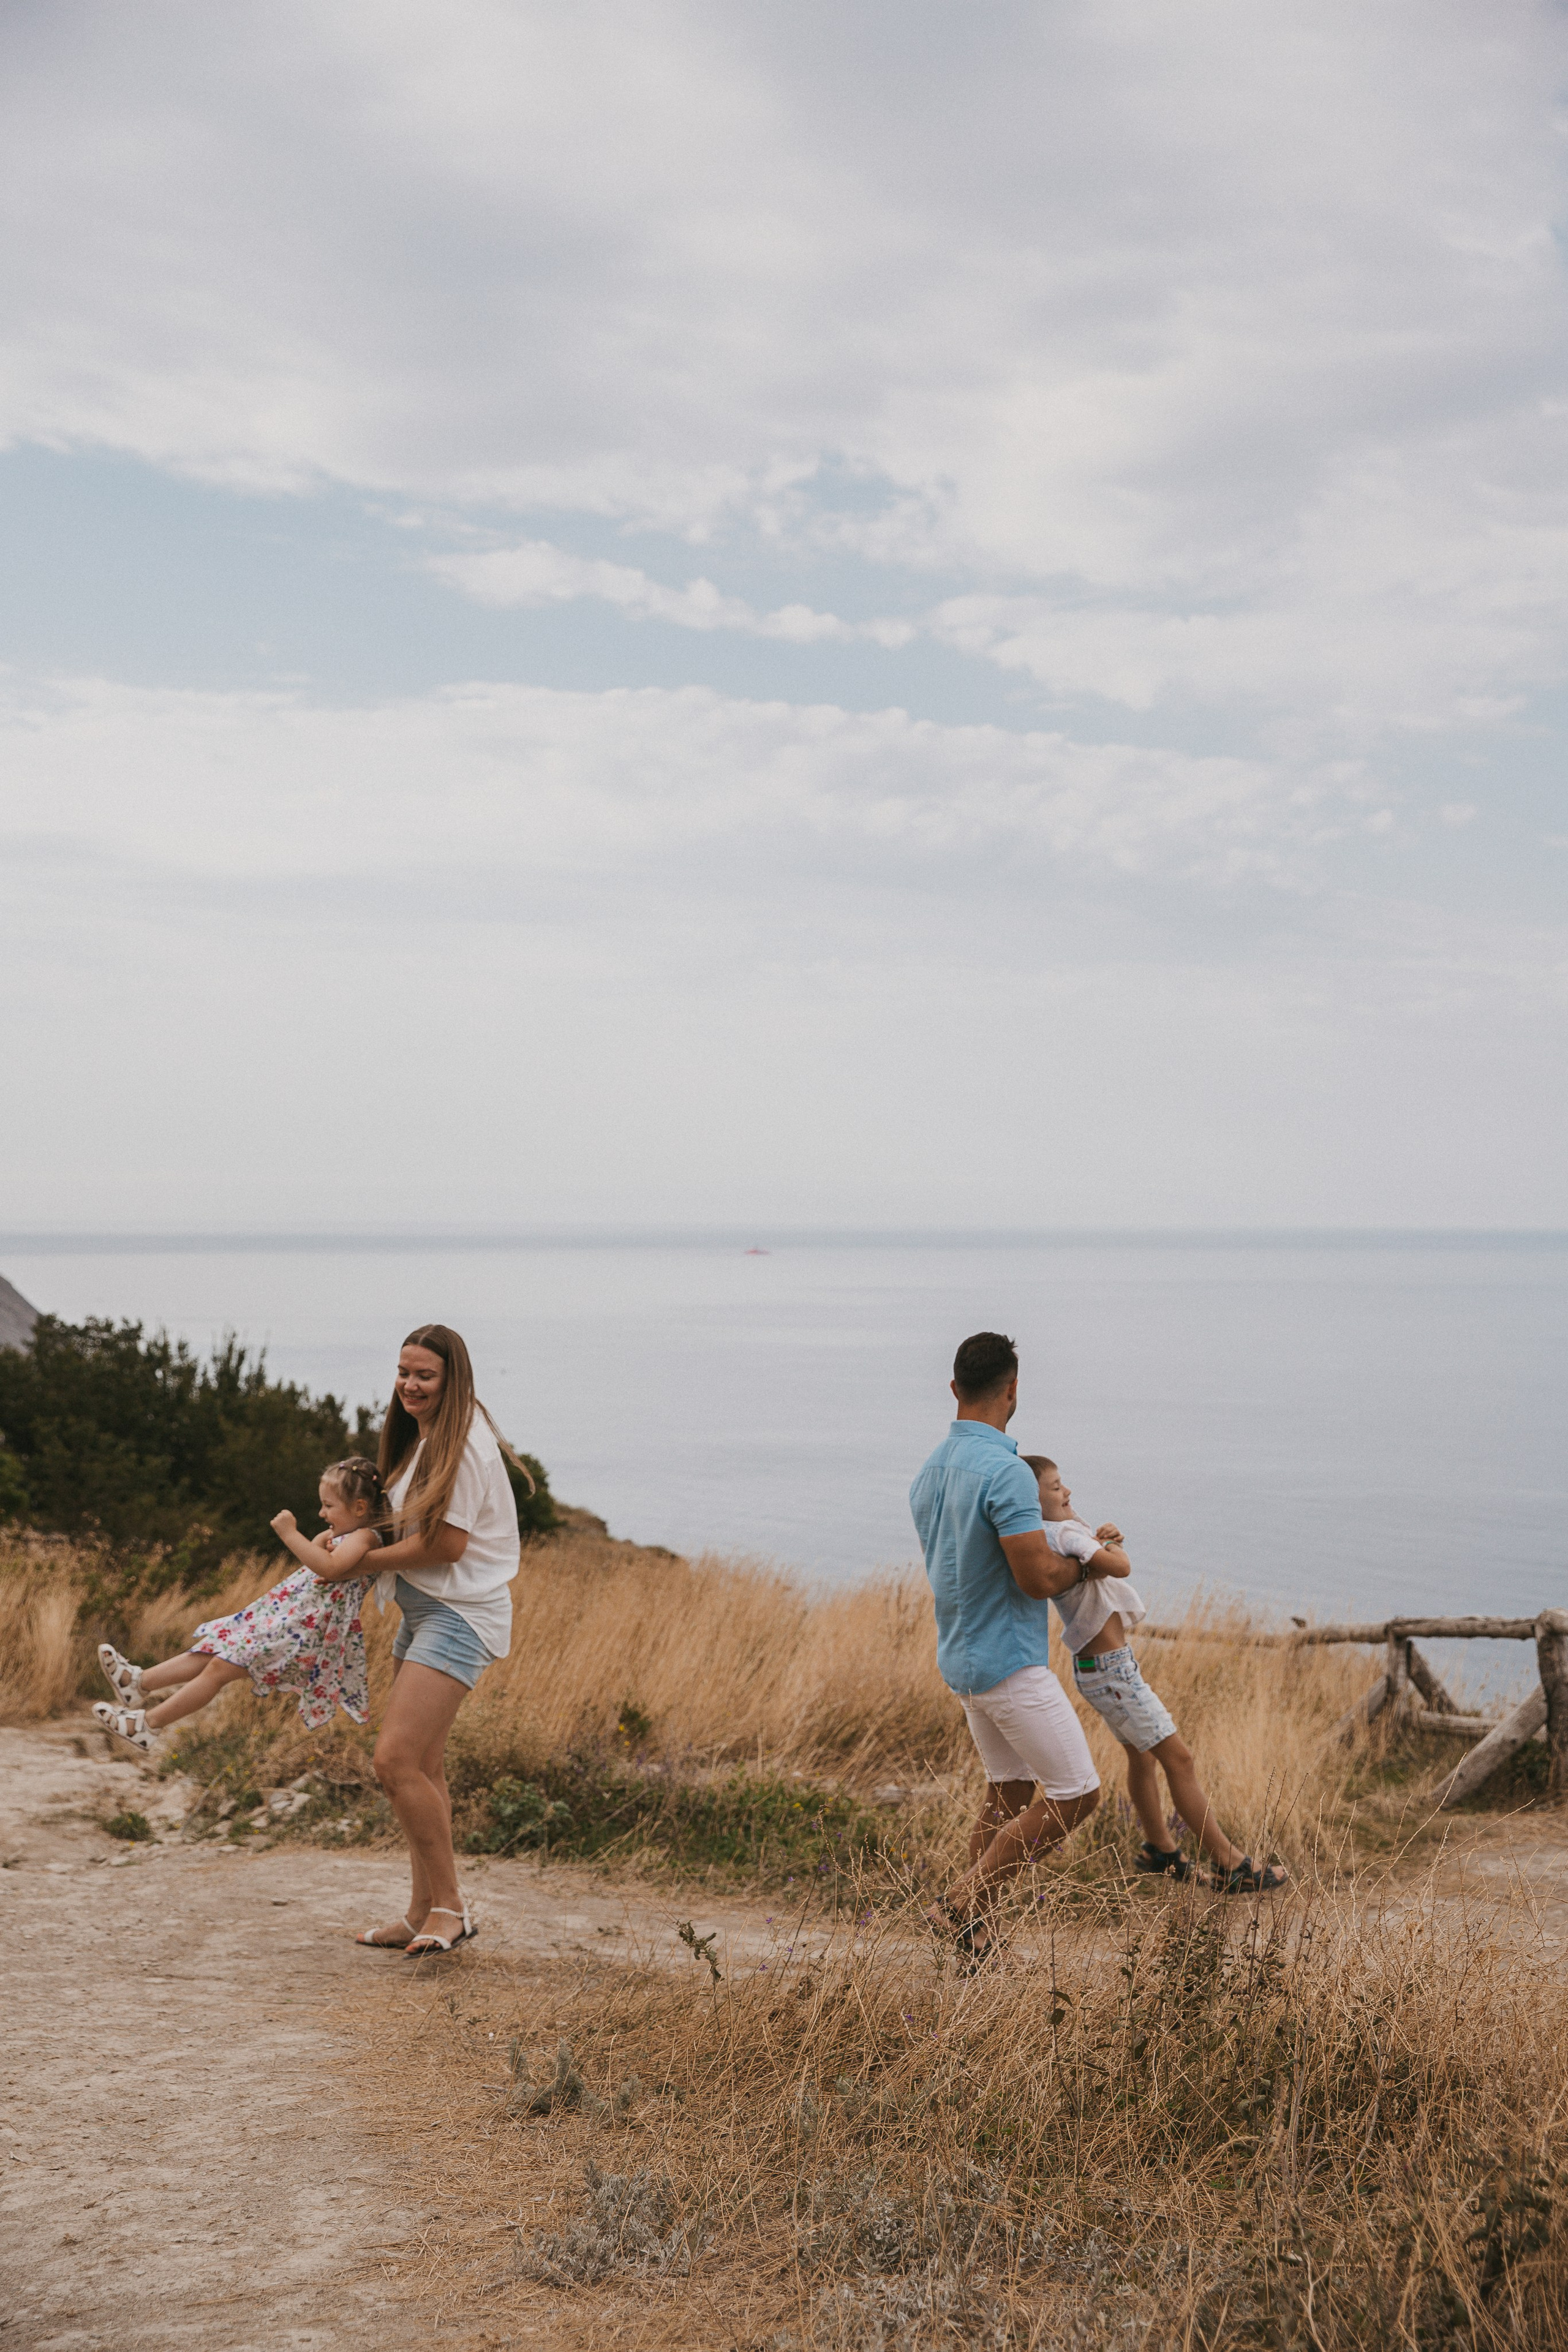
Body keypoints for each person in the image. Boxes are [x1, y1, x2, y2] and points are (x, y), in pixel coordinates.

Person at [908, 1332, 1103, 1961]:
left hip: (963, 1663)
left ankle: (973, 1945)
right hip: (1010, 1665)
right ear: (1012, 1390)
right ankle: (961, 1902)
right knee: (1077, 1794)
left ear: (954, 1389)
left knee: (1008, 1795)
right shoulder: (1005, 1473)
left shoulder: (929, 1471)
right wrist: (1088, 1565)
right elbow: (1036, 1577)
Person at [1027, 1455, 1286, 1893]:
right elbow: (1121, 1567)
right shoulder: (1063, 1532)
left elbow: (1095, 1559)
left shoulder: (1049, 1535)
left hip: (1102, 1670)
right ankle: (1230, 1864)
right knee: (1179, 1759)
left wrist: (1103, 1538)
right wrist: (1113, 1547)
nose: (1067, 1492)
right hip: (1113, 1673)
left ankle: (1160, 1848)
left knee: (1142, 1757)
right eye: (1055, 1488)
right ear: (1031, 1500)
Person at [354, 1323, 529, 1959]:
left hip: (460, 1615)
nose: (409, 1385)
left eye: (424, 1375)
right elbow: (403, 1526)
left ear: (452, 1380)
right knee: (423, 1767)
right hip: (424, 1611)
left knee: (394, 1761)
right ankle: (421, 1910)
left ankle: (451, 1908)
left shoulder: (466, 1448)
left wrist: (355, 1564)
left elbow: (445, 1547)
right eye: (403, 1372)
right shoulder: (425, 1439)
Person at [92, 1455, 385, 1752]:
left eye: (329, 1506)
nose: (322, 1513)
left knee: (220, 1667)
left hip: (303, 1634)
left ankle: (146, 1726)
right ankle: (137, 1683)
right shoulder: (343, 1534)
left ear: (360, 1507)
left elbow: (330, 1569)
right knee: (216, 1646)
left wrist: (289, 1533)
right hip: (283, 1621)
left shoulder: (365, 1538)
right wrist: (317, 1540)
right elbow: (316, 1556)